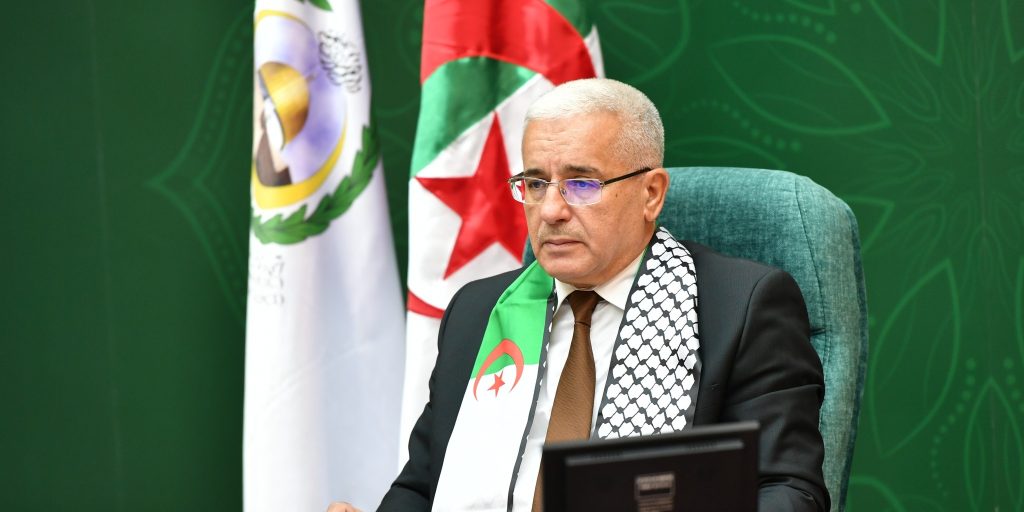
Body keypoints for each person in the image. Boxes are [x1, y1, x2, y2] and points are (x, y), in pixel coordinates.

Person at [330, 78, 829, 511]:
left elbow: (788, 490)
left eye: (582, 184)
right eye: (535, 183)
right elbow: (423, 488)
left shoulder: (738, 306)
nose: (550, 210)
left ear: (651, 193)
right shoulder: (479, 311)